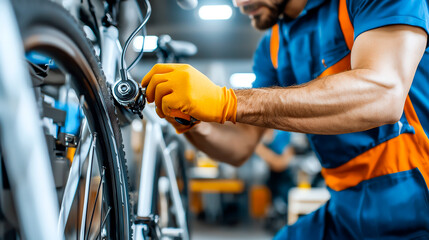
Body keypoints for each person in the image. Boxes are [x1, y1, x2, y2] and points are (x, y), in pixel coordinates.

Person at [141, 0, 429, 238]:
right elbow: (240, 146)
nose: (239, 3)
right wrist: (194, 123)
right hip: (347, 208)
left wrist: (226, 99)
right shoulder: (273, 47)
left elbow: (383, 93)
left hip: (417, 203)